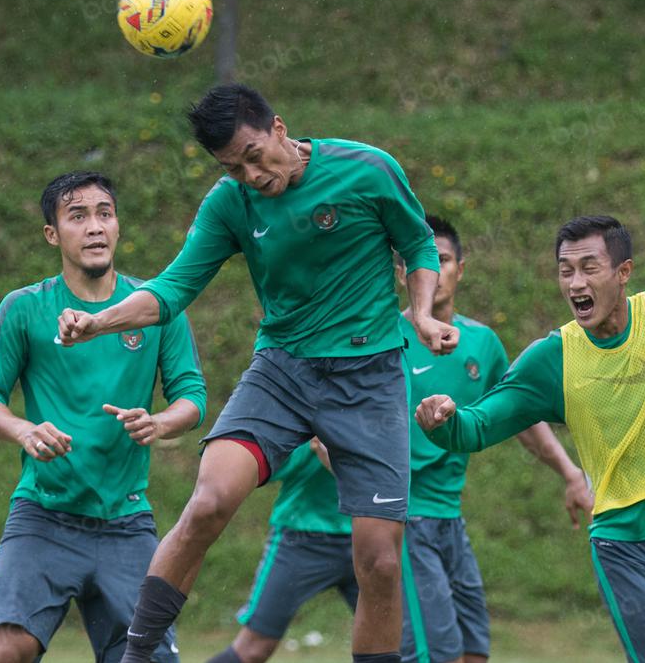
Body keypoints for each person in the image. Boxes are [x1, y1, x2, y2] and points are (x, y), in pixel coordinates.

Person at [58, 84, 458, 663]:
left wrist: (421, 315)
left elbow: (418, 244)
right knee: (209, 502)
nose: (250, 173)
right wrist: (98, 321)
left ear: (278, 126)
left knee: (379, 560)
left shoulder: (367, 169)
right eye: (232, 166)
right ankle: (135, 656)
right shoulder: (230, 204)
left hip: (369, 380)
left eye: (253, 154)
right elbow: (171, 289)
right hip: (283, 374)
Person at [216, 216, 593, 663]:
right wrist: (380, 500)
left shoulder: (483, 344)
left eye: (445, 260)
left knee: (473, 652)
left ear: (460, 268)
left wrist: (570, 472)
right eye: (422, 263)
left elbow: (519, 415)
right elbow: (325, 438)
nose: (434, 272)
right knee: (432, 655)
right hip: (404, 522)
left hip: (451, 522)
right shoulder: (374, 343)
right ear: (402, 274)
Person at [416, 216, 645, 662]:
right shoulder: (553, 359)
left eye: (588, 267)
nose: (576, 282)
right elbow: (477, 427)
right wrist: (442, 421)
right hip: (625, 550)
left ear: (624, 272)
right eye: (566, 271)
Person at [0, 171, 208, 663]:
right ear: (52, 234)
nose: (95, 227)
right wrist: (23, 429)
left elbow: (193, 398)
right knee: (4, 651)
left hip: (127, 521)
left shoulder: (157, 309)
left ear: (117, 227)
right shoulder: (24, 309)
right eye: (78, 217)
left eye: (104, 213)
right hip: (43, 516)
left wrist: (159, 423)